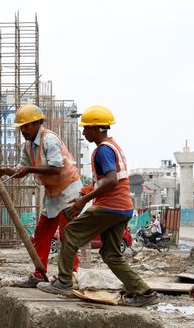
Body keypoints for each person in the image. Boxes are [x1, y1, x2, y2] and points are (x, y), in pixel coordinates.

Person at [38, 105, 158, 307]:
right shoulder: (113, 147)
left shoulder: (103, 151)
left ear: (96, 128)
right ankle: (144, 292)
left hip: (110, 206)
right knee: (110, 254)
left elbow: (110, 181)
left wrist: (84, 201)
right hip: (123, 208)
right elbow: (106, 181)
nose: (83, 132)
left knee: (70, 233)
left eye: (86, 128)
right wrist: (83, 193)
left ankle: (64, 282)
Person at [0, 104, 82, 287]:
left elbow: (55, 167)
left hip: (69, 190)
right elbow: (22, 170)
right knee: (42, 233)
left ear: (37, 123)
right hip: (52, 193)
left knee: (67, 235)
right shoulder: (28, 145)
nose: (23, 130)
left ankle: (70, 276)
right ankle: (39, 274)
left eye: (26, 126)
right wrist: (8, 171)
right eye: (21, 127)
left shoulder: (49, 140)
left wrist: (28, 168)